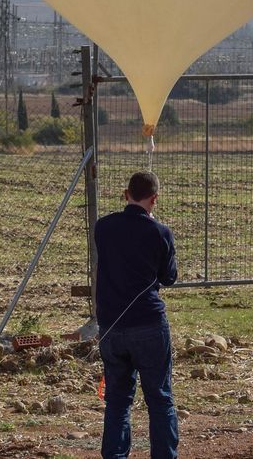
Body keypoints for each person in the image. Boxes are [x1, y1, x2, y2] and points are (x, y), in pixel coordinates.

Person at [94, 171, 179, 459]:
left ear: (125, 193)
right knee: (160, 398)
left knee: (117, 400)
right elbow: (169, 278)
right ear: (154, 199)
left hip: (110, 325)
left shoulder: (103, 227)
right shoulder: (160, 233)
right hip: (149, 324)